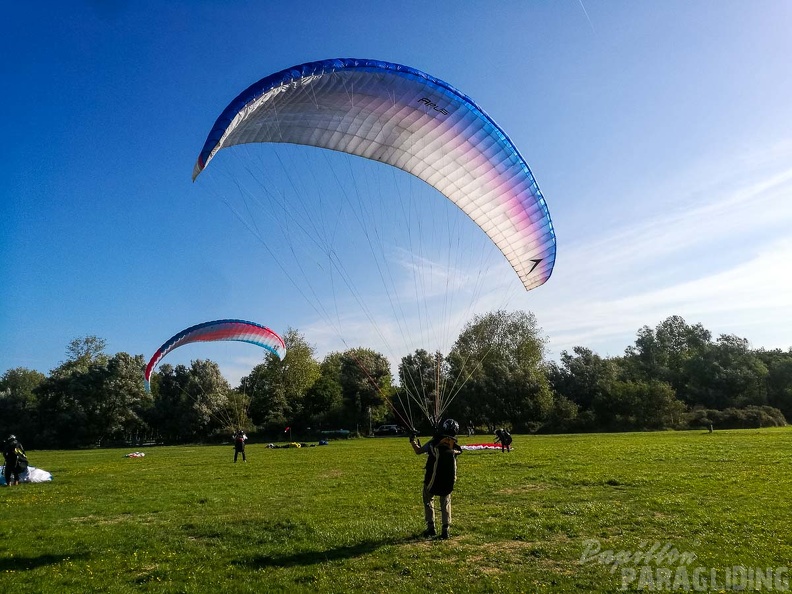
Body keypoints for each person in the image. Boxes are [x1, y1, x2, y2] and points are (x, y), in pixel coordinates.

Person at [410, 419, 462, 539]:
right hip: (447, 479)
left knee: (428, 499)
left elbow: (418, 451)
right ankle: (445, 530)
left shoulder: (434, 442)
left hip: (431, 479)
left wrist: (412, 440)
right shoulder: (454, 445)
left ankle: (431, 528)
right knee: (445, 501)